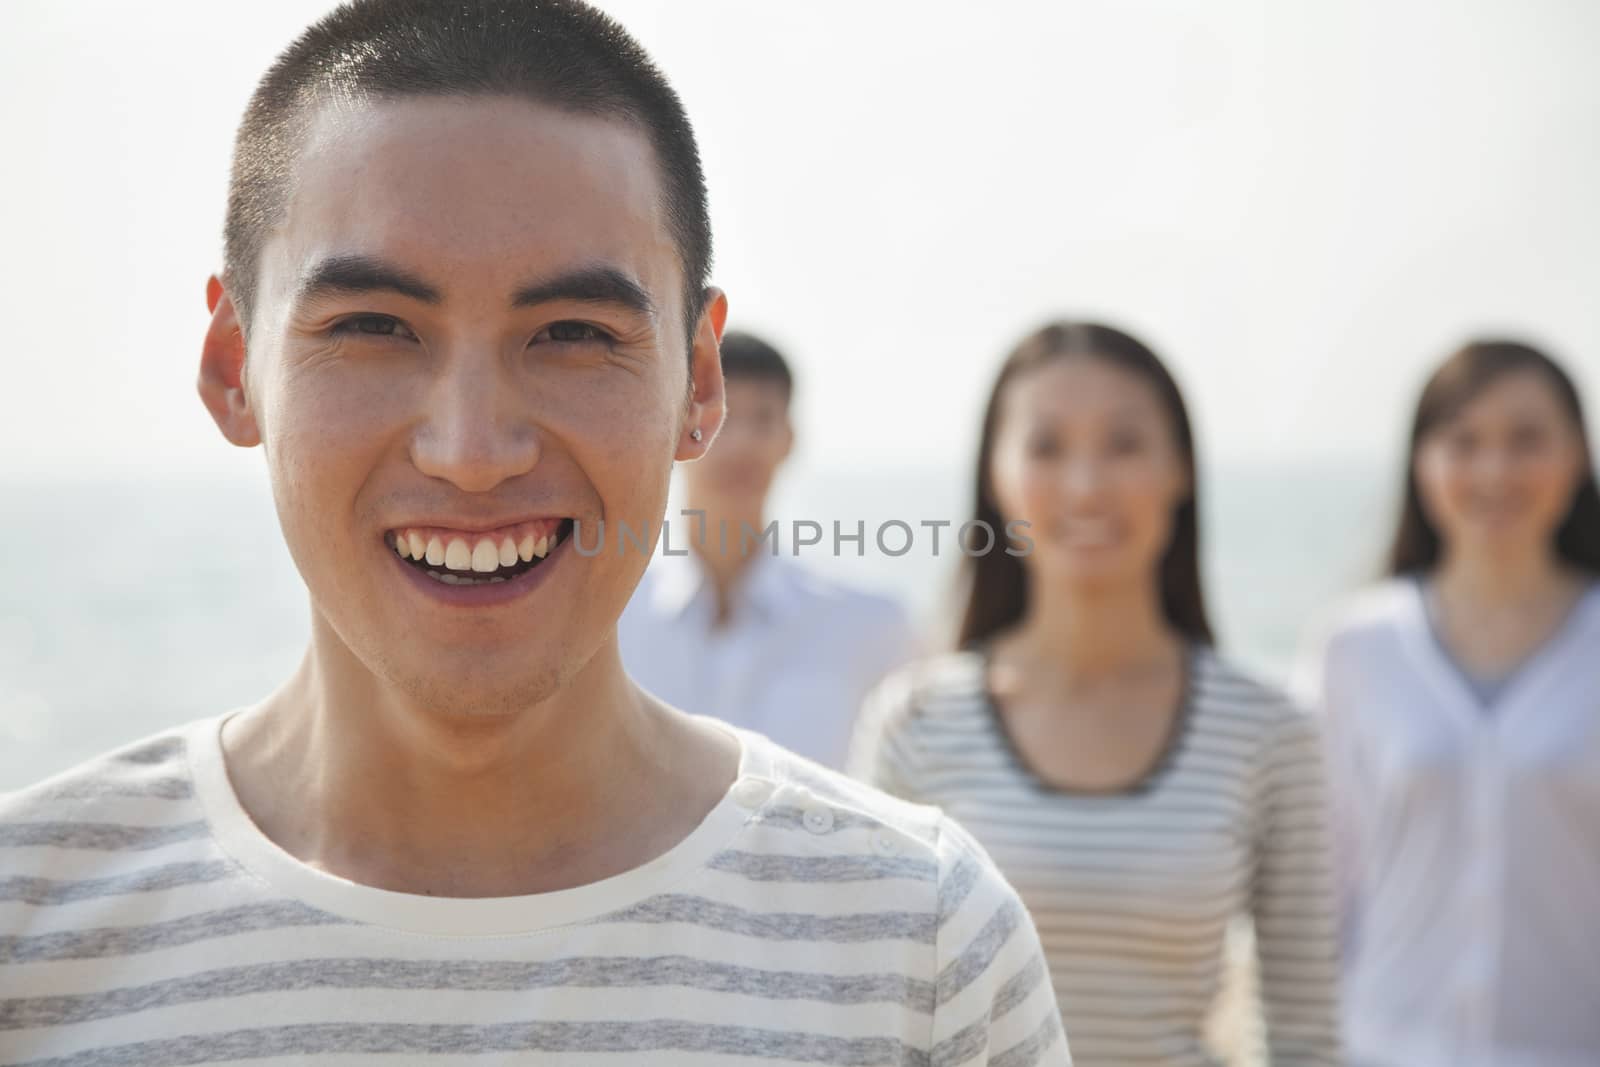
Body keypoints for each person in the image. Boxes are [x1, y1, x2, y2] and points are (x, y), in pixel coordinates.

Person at [0, 3, 1067, 1063]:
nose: (472, 450)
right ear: (235, 367)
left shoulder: (921, 944)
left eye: (570, 333)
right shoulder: (30, 931)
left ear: (698, 383)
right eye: (373, 327)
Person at [851, 321, 1342, 1066]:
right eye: (1047, 446)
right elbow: (868, 1019)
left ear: (1180, 469)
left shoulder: (1268, 730)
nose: (1086, 484)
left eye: (1124, 444)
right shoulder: (913, 720)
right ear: (996, 475)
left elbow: (1304, 1035)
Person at [1295, 339, 1600, 1066]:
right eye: (1463, 441)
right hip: (1379, 1047)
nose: (1495, 469)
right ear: (1421, 461)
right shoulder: (1355, 647)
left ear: (1578, 456)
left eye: (1527, 439)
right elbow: (1320, 876)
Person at [619, 330, 915, 769]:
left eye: (762, 419)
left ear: (789, 439)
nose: (740, 444)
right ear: (676, 431)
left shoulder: (871, 625)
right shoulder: (612, 619)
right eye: (717, 419)